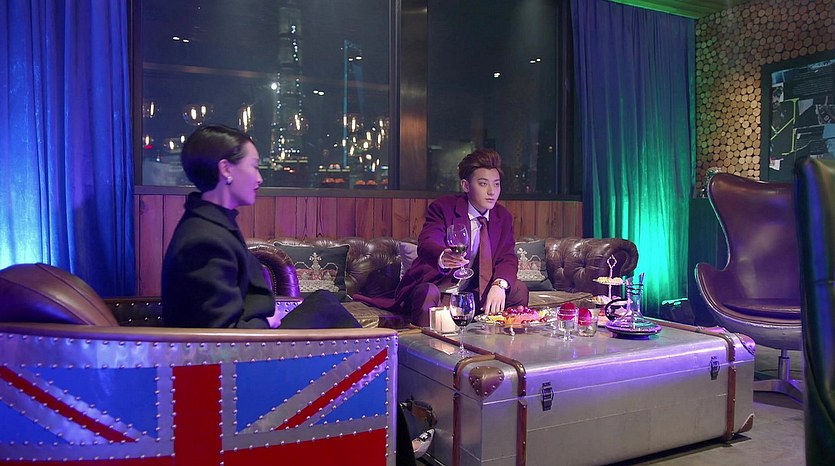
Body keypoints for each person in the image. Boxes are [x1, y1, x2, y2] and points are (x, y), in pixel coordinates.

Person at [161, 124, 359, 329]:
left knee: (324, 301)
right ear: (226, 169)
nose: (259, 179)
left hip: (256, 337)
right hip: (252, 344)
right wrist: (265, 323)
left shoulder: (212, 224)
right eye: (254, 167)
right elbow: (220, 334)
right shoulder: (204, 239)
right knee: (329, 312)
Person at [357, 148, 528, 326]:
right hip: (440, 289)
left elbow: (507, 256)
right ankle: (425, 342)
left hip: (475, 292)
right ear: (466, 186)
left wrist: (499, 285)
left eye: (497, 184)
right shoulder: (444, 208)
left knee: (519, 290)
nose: (492, 191)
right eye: (483, 184)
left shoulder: (502, 217)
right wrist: (442, 256)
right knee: (428, 293)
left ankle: (498, 338)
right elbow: (427, 242)